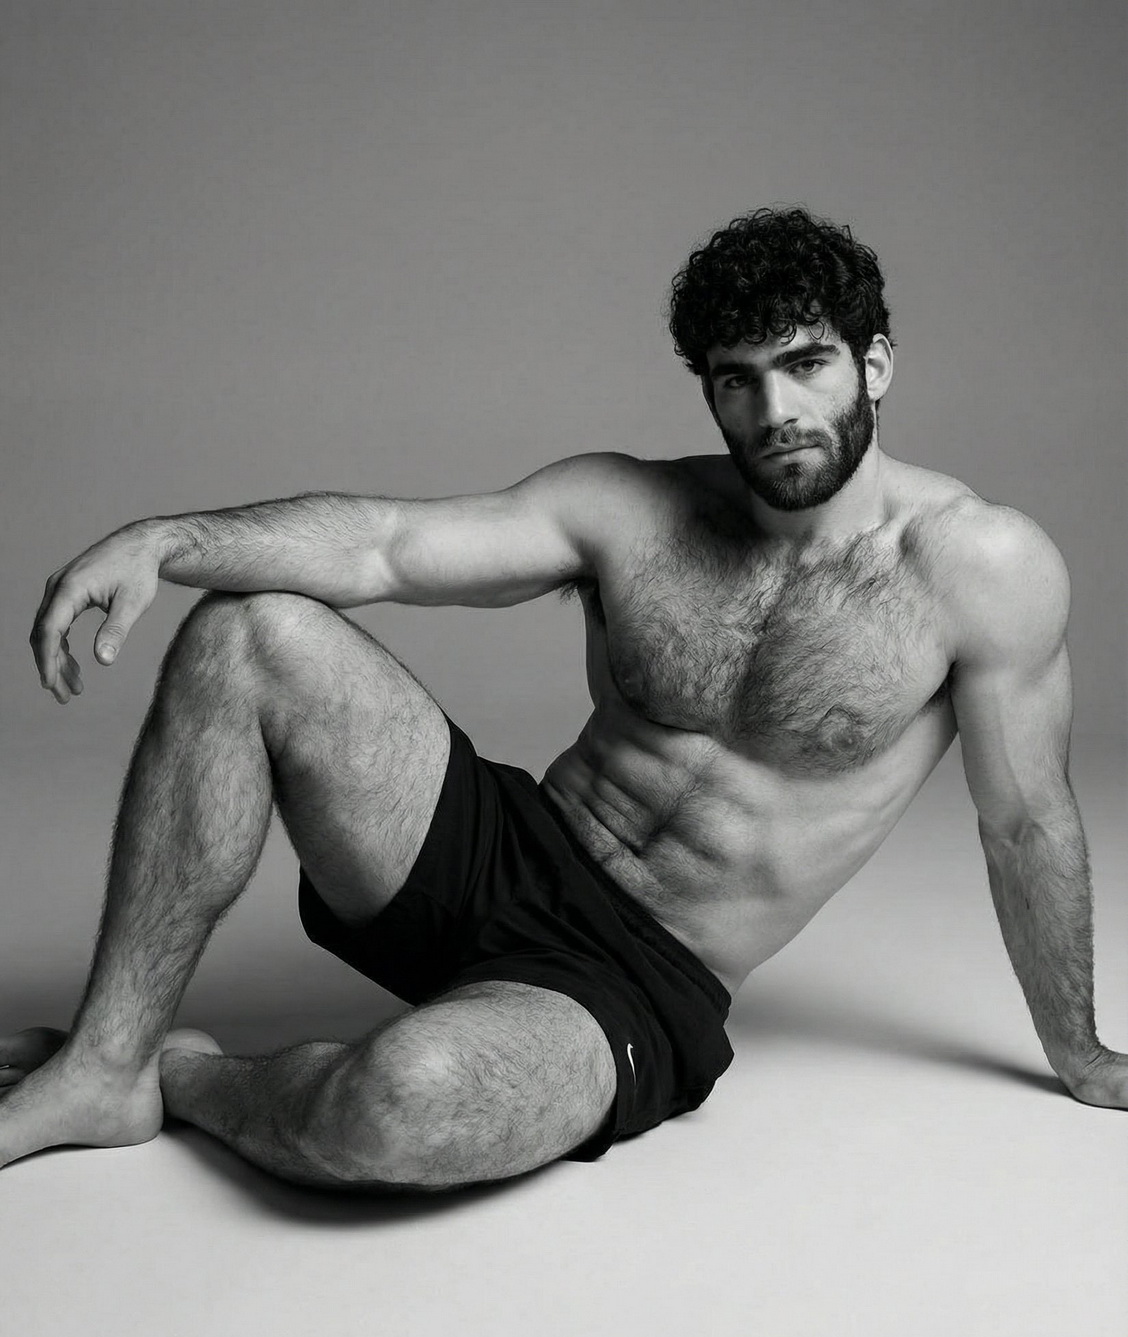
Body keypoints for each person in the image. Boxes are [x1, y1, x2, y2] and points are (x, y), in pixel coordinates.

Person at [4, 207, 1124, 1188]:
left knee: (395, 1107)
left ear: (874, 365)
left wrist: (1080, 1052)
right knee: (244, 633)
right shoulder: (629, 508)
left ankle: (181, 1077)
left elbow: (1025, 821)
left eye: (807, 364)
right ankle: (104, 1060)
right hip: (502, 852)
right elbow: (388, 545)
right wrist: (165, 540)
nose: (775, 408)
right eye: (738, 379)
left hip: (637, 977)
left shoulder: (982, 567)